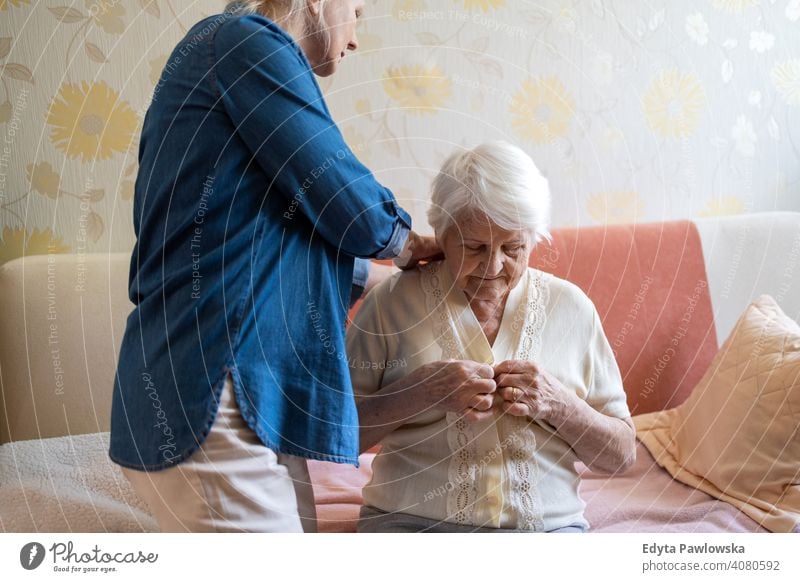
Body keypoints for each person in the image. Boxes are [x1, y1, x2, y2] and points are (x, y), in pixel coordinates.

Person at [108, 0, 438, 532]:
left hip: (222, 402)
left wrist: (394, 279)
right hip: (213, 397)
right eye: (355, 11)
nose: (355, 38)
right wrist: (407, 241)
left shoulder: (220, 56)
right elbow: (343, 198)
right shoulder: (244, 41)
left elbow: (264, 240)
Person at [347, 141, 636, 533]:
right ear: (441, 235)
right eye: (475, 247)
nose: (494, 266)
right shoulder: (391, 303)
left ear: (533, 239)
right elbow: (338, 437)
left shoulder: (572, 308)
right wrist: (421, 392)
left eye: (514, 247)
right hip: (410, 526)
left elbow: (621, 455)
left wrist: (559, 405)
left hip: (548, 533)